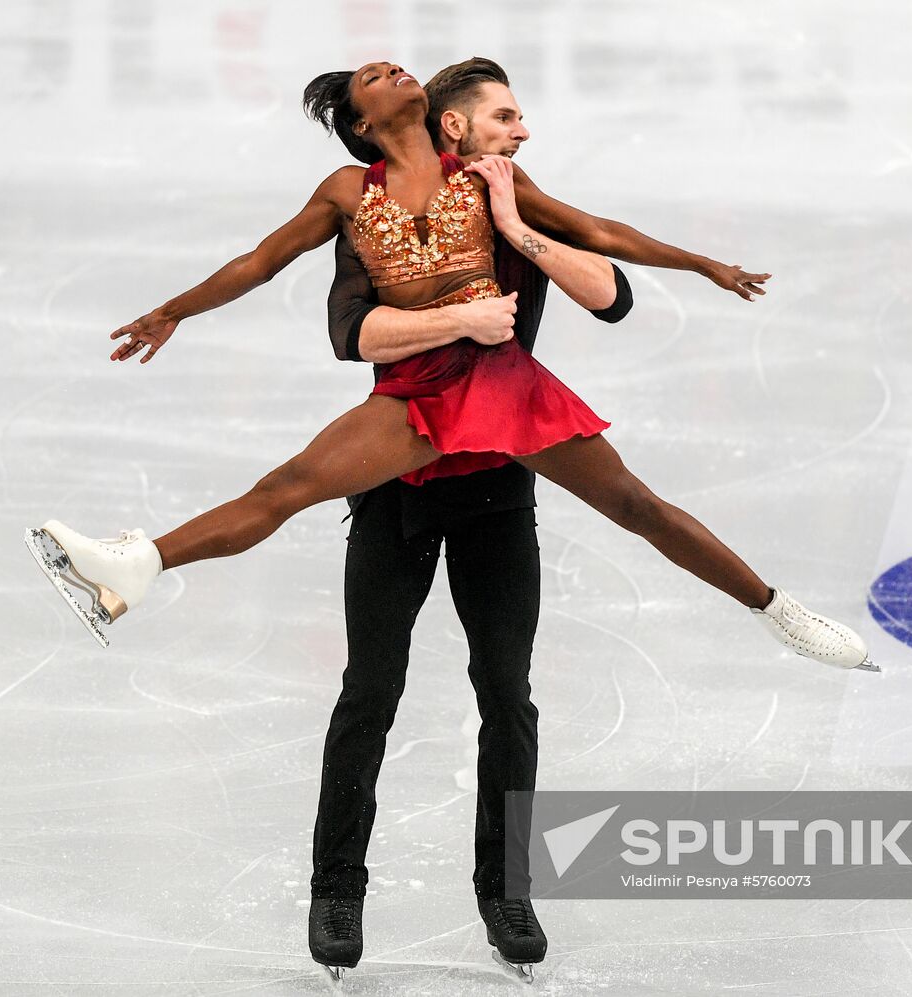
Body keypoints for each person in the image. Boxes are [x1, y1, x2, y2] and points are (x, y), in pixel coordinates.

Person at [24, 56, 878, 971]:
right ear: (362, 120)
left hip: (501, 415)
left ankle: (773, 610)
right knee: (319, 564)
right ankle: (146, 575)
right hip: (415, 414)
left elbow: (600, 236)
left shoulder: (489, 174)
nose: (393, 69)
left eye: (397, 66)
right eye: (374, 78)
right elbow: (266, 266)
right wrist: (174, 310)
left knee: (616, 532)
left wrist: (699, 262)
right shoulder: (349, 192)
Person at [309, 57, 637, 980]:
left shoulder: (516, 209)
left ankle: (508, 888)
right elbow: (348, 332)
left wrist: (511, 227)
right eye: (504, 117)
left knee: (507, 689)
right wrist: (455, 324)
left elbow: (615, 296)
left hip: (496, 486)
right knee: (370, 691)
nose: (520, 133)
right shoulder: (373, 214)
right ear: (450, 129)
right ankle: (336, 884)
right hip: (398, 485)